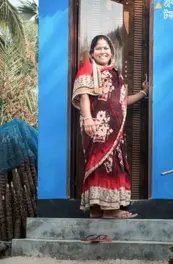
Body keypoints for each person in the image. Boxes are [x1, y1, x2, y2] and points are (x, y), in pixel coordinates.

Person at [71, 34, 150, 219]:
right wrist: (89, 119)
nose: (102, 51)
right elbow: (83, 96)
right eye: (98, 48)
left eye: (106, 48)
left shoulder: (116, 74)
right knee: (100, 164)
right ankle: (110, 210)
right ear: (92, 52)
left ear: (112, 52)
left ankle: (98, 209)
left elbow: (122, 101)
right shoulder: (88, 70)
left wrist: (143, 93)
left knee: (112, 164)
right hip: (97, 128)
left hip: (115, 131)